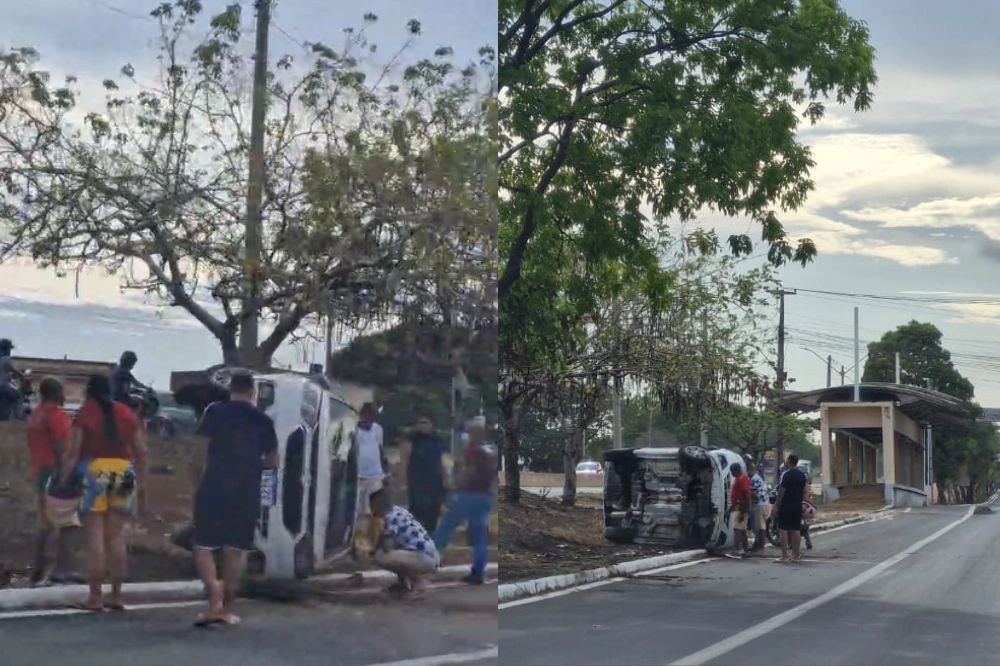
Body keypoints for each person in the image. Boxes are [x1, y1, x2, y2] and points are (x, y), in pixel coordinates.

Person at [191, 370, 278, 627]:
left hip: (214, 484)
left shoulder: (215, 411)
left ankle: (213, 597)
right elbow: (273, 463)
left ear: (231, 389)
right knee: (236, 549)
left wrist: (197, 481)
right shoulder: (264, 420)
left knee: (204, 545)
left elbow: (198, 451)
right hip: (246, 489)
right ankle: (228, 607)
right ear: (252, 392)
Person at [59, 374, 147, 611]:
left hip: (95, 469)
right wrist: (140, 479)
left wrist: (62, 479)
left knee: (95, 536)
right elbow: (140, 450)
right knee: (116, 536)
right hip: (123, 470)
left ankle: (95, 596)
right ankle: (116, 594)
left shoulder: (86, 413)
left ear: (89, 390)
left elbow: (72, 451)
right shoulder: (125, 412)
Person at [433, 420, 497, 585]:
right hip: (485, 496)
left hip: (468, 495)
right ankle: (478, 572)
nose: (466, 436)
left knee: (445, 527)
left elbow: (468, 472)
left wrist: (455, 486)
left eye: (468, 432)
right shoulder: (490, 450)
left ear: (474, 433)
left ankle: (429, 559)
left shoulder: (473, 450)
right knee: (479, 537)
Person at [27, 377, 76, 586]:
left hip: (39, 471)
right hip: (55, 472)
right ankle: (60, 572)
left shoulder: (36, 415)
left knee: (45, 524)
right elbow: (62, 448)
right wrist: (67, 475)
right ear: (56, 393)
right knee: (67, 524)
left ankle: (37, 569)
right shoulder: (57, 416)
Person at [369, 488, 440, 595]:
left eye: (372, 506)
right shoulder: (398, 510)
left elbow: (387, 547)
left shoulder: (390, 518)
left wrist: (375, 541)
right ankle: (404, 583)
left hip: (424, 557)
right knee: (397, 551)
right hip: (430, 554)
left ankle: (416, 581)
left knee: (380, 556)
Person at [396, 413, 449, 533]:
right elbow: (404, 461)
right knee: (417, 514)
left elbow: (440, 461)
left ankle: (430, 539)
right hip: (417, 483)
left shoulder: (436, 440)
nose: (422, 426)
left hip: (435, 483)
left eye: (425, 423)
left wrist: (446, 478)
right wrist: (402, 481)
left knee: (433, 514)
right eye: (420, 423)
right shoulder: (412, 440)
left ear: (432, 425)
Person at [355, 402, 387, 518]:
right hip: (358, 475)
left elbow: (380, 449)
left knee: (373, 510)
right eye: (368, 415)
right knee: (358, 510)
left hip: (375, 475)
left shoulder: (378, 429)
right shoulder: (354, 430)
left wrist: (385, 469)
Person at [774, 454, 809, 564]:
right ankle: (796, 555)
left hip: (786, 506)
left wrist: (777, 505)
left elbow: (782, 491)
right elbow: (805, 491)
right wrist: (804, 503)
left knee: (783, 530)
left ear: (789, 461)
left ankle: (784, 556)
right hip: (797, 506)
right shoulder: (802, 475)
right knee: (796, 530)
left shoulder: (786, 475)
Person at [728, 462, 752, 558]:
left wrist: (743, 509)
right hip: (738, 507)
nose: (732, 473)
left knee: (738, 529)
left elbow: (746, 494)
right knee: (741, 529)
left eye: (732, 471)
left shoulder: (742, 479)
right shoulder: (738, 479)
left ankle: (737, 549)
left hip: (741, 508)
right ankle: (744, 550)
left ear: (735, 471)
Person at [748, 460, 769, 556]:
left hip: (759, 505)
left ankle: (762, 548)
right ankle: (759, 546)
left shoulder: (754, 479)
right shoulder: (759, 477)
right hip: (765, 503)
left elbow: (753, 494)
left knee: (761, 527)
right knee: (761, 526)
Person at [0, 338, 21, 420]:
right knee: (17, 395)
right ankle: (16, 417)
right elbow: (13, 370)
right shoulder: (6, 359)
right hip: (2, 385)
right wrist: (21, 374)